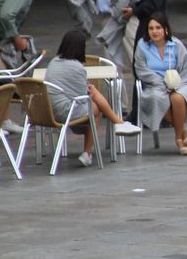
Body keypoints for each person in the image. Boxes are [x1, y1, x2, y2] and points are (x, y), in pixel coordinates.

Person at [43, 29, 140, 167]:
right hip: (63, 111)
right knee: (94, 105)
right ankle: (111, 129)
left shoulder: (53, 62)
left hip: (47, 111)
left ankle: (118, 123)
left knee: (93, 97)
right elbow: (83, 98)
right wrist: (92, 91)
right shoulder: (77, 67)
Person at [134, 12, 187, 155]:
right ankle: (183, 133)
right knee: (158, 98)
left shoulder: (176, 45)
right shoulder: (142, 45)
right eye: (151, 28)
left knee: (177, 98)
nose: (154, 31)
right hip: (155, 85)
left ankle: (178, 138)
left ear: (165, 29)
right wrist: (161, 83)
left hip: (179, 83)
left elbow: (186, 67)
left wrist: (175, 85)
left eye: (158, 28)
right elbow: (140, 69)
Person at [121, 0, 167, 119]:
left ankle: (147, 112)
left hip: (150, 22)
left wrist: (136, 10)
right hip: (145, 20)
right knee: (141, 65)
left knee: (146, 66)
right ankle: (140, 111)